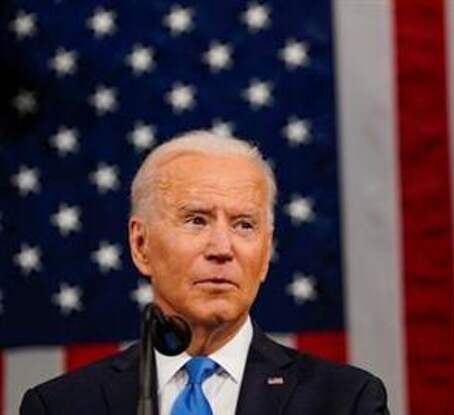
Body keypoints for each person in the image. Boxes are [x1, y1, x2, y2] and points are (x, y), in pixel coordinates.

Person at [19, 130, 389, 415]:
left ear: (265, 254)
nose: (222, 248)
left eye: (244, 225)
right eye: (196, 220)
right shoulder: (61, 407)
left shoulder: (345, 402)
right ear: (140, 244)